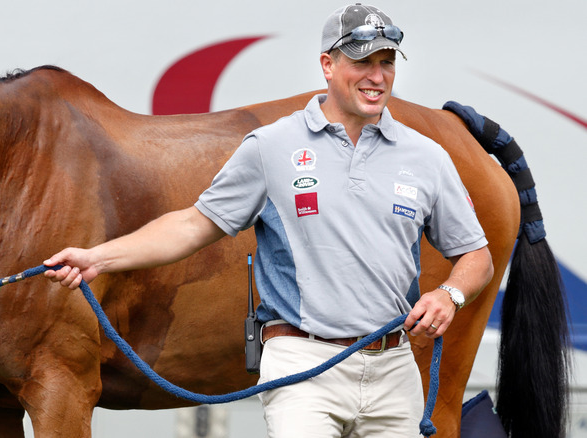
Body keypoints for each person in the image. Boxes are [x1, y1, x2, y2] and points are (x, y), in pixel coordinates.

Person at [44, 3, 494, 437]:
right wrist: (98, 258)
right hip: (303, 365)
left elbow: (476, 256)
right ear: (328, 64)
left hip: (394, 368)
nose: (377, 77)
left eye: (387, 61)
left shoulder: (426, 157)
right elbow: (194, 224)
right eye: (362, 61)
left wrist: (449, 294)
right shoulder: (271, 146)